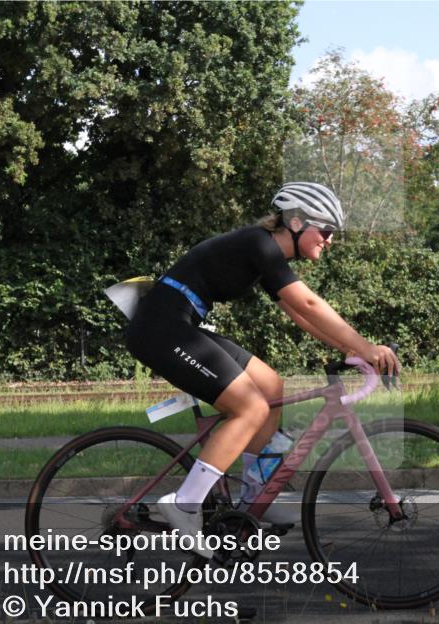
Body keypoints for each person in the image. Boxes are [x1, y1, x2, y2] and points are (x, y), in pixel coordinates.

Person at [125, 182, 400, 557]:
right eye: (327, 231)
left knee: (271, 387)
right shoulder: (260, 244)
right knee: (250, 407)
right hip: (161, 328)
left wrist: (354, 350)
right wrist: (367, 347)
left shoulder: (268, 255)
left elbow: (301, 314)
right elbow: (308, 302)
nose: (330, 240)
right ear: (298, 222)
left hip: (180, 324)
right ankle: (185, 503)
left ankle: (255, 496)